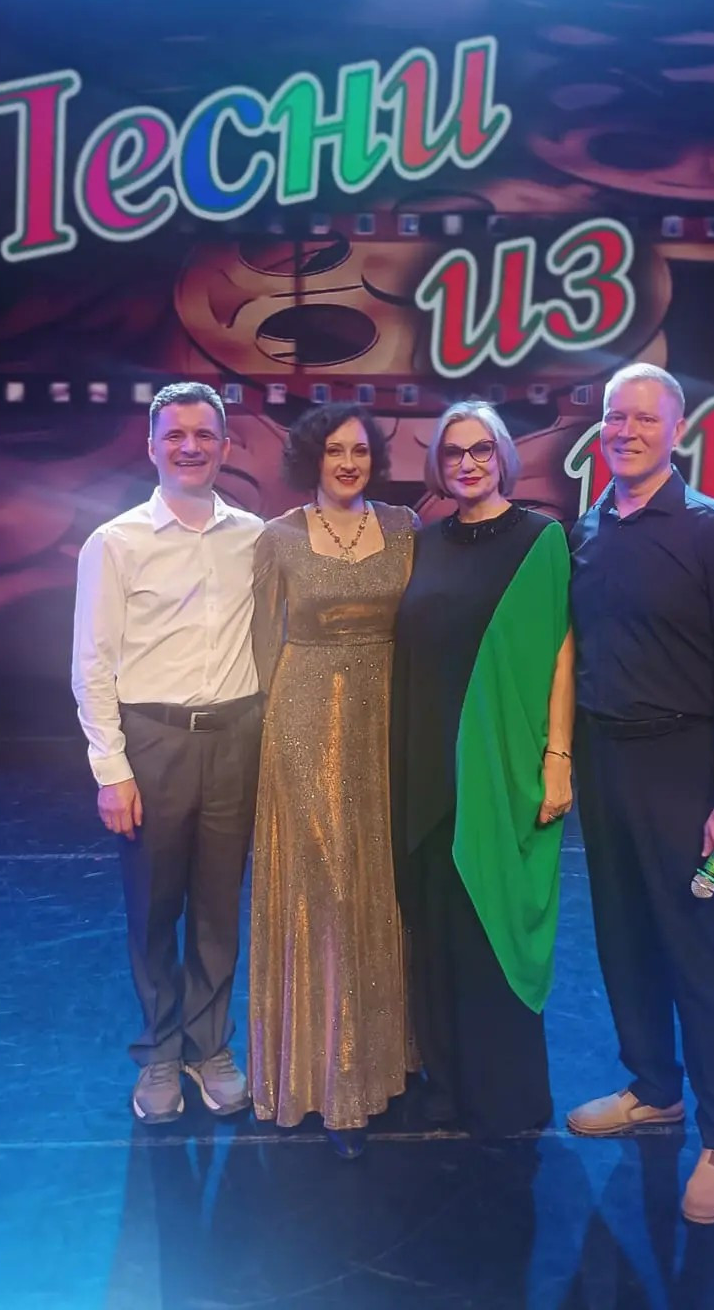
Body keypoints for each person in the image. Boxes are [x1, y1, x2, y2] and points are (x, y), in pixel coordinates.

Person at [567, 362, 714, 1226]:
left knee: (702, 954)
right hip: (603, 765)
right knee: (624, 939)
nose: (625, 431)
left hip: (684, 770)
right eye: (614, 416)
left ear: (678, 430)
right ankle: (655, 1087)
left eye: (644, 418)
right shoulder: (587, 527)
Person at [72, 381, 263, 1124]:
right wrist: (111, 769)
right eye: (175, 434)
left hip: (235, 739)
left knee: (218, 909)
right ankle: (159, 1049)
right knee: (154, 910)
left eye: (204, 434)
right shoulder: (115, 542)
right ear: (150, 445)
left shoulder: (255, 536)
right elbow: (92, 665)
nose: (190, 447)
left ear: (225, 446)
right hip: (151, 743)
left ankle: (210, 1048)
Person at [391, 401, 574, 1138]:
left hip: (499, 770)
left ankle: (505, 1095)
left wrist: (558, 757)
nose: (467, 463)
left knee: (491, 927)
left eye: (481, 450)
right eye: (453, 452)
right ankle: (445, 1085)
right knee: (436, 932)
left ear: (503, 456)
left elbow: (562, 653)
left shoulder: (541, 540)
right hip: (425, 766)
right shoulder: (423, 542)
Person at [248, 403, 417, 1159]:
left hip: (388, 721)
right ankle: (324, 1076)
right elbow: (261, 646)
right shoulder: (278, 537)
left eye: (360, 450)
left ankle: (385, 1059)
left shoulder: (406, 527)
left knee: (381, 882)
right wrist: (266, 744)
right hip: (303, 719)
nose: (348, 462)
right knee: (326, 887)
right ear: (311, 458)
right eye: (334, 450)